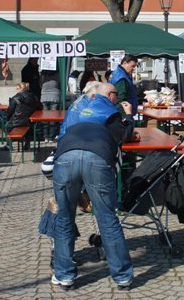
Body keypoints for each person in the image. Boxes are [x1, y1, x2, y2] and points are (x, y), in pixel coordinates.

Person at [52, 82, 135, 290]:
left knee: (64, 217)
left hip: (65, 155)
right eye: (115, 94)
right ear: (110, 95)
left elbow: (63, 131)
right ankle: (122, 277)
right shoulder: (111, 110)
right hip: (96, 157)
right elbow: (124, 135)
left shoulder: (77, 107)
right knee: (106, 217)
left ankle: (64, 276)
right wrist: (129, 115)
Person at [0, 82, 40, 151]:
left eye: (17, 88)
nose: (16, 90)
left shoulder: (15, 98)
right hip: (29, 121)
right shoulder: (34, 97)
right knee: (27, 129)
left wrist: (8, 118)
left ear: (21, 89)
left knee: (6, 126)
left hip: (16, 122)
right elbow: (40, 107)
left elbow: (10, 111)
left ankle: (9, 145)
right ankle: (27, 145)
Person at [40, 69, 60, 142]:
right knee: (53, 118)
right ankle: (51, 137)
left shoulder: (42, 76)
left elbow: (40, 85)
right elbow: (60, 85)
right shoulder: (57, 75)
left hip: (44, 97)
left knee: (45, 118)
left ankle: (46, 137)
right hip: (55, 97)